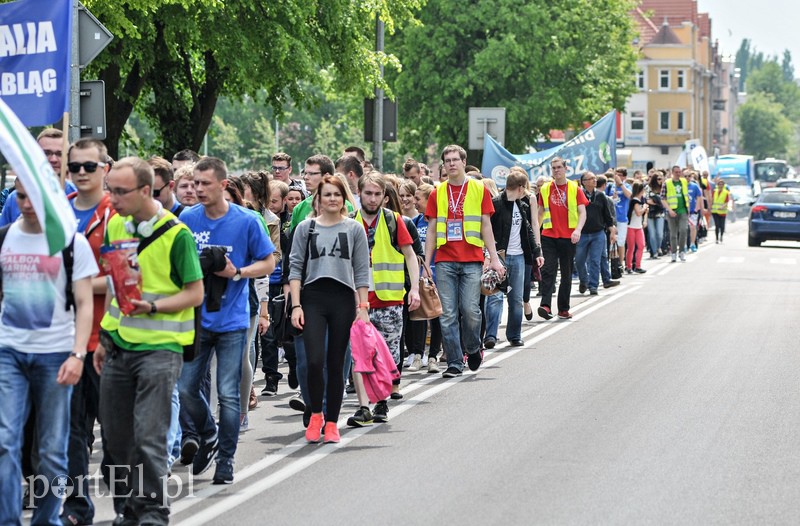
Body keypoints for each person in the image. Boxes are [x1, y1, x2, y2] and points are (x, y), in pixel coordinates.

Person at [94, 157, 203, 524]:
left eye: (120, 191)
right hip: (118, 346)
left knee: (149, 435)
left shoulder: (177, 234)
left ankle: (153, 509)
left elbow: (195, 293)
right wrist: (103, 339)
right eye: (110, 189)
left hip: (161, 348)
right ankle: (128, 508)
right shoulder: (116, 225)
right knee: (115, 440)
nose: (112, 197)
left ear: (145, 190)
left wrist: (152, 307)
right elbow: (114, 287)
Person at [0, 180, 96, 526]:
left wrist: (77, 355)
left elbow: (84, 304)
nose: (26, 203)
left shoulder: (72, 241)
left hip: (55, 355)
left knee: (52, 450)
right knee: (5, 441)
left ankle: (46, 520)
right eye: (21, 196)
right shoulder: (4, 236)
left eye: (34, 197)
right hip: (9, 352)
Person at [178, 157, 275, 484]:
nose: (198, 190)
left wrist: (238, 272)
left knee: (229, 394)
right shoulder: (187, 218)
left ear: (222, 185)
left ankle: (226, 460)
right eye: (194, 184)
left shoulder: (247, 220)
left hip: (232, 320)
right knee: (186, 387)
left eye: (205, 184)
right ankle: (209, 432)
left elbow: (269, 263)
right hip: (195, 318)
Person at [289, 175, 370, 442]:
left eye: (337, 194)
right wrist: (296, 305)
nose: (332, 199)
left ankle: (332, 422)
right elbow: (296, 268)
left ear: (343, 198)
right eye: (327, 195)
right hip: (312, 298)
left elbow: (361, 270)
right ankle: (315, 415)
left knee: (336, 364)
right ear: (319, 199)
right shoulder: (305, 228)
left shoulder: (354, 229)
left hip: (343, 299)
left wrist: (363, 306)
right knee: (313, 361)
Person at [61, 138, 116, 526]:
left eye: (89, 166)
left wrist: (74, 283)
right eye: (74, 166)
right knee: (72, 432)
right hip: (64, 340)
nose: (81, 173)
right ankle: (77, 507)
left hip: (109, 339)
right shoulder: (57, 214)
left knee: (115, 434)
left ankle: (129, 505)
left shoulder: (117, 214)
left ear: (105, 169)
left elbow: (121, 279)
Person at [346, 174, 421, 426]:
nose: (373, 198)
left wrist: (415, 289)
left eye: (378, 194)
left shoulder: (393, 220)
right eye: (368, 193)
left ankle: (381, 402)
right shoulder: (350, 222)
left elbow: (410, 255)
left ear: (385, 197)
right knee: (361, 354)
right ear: (360, 193)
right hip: (359, 301)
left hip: (389, 300)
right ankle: (363, 406)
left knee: (387, 354)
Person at [424, 145, 503, 378]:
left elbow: (485, 225)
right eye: (447, 160)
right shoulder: (436, 193)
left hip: (471, 259)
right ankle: (455, 362)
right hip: (446, 259)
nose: (451, 164)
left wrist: (494, 257)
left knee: (470, 310)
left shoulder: (479, 189)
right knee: (447, 314)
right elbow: (430, 231)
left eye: (455, 159)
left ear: (463, 162)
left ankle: (472, 347)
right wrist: (427, 263)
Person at [485, 170, 542, 347]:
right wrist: (489, 255)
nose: (525, 192)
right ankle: (491, 335)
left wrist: (537, 252)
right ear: (519, 188)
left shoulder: (522, 205)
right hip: (499, 256)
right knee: (495, 296)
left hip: (518, 257)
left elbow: (529, 230)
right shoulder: (495, 205)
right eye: (524, 188)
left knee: (516, 298)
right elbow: (487, 231)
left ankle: (514, 335)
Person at [537, 157, 588, 320]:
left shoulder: (574, 188)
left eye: (559, 167)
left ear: (566, 169)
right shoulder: (545, 189)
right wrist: (536, 236)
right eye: (553, 168)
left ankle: (563, 308)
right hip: (549, 235)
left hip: (568, 237)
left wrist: (578, 230)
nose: (556, 170)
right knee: (547, 270)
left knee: (566, 274)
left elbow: (582, 212)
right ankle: (545, 305)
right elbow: (540, 212)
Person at [1, 128, 78, 226]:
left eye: (59, 154)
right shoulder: (15, 199)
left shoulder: (78, 196)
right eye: (46, 153)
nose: (53, 159)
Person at [575, 171, 615, 296]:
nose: (594, 180)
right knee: (579, 260)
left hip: (598, 233)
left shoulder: (601, 196)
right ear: (584, 182)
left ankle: (593, 286)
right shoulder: (577, 195)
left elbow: (607, 215)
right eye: (591, 178)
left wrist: (612, 230)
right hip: (582, 234)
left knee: (595, 260)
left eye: (594, 178)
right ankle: (584, 280)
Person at [662, 165, 691, 262]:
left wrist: (689, 209)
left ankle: (682, 251)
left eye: (680, 172)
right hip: (672, 212)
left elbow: (686, 196)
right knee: (673, 234)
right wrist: (669, 210)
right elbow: (663, 199)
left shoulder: (684, 181)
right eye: (676, 172)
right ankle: (674, 252)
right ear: (672, 173)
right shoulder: (667, 183)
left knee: (683, 230)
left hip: (683, 211)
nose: (678, 174)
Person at [625, 182, 648, 274]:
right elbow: (639, 212)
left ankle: (637, 265)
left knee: (641, 245)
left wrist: (644, 220)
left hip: (638, 226)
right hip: (631, 226)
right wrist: (644, 208)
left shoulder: (641, 200)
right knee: (631, 247)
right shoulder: (635, 200)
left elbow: (644, 212)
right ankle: (629, 266)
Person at [645, 171, 666, 259]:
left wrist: (656, 202)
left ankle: (658, 247)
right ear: (654, 179)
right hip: (650, 212)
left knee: (660, 233)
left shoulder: (663, 188)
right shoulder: (648, 188)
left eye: (661, 178)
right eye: (658, 179)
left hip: (660, 213)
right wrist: (658, 202)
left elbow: (665, 201)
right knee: (652, 234)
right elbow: (647, 200)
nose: (660, 181)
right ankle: (654, 252)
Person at [711, 178, 731, 243]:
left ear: (724, 185)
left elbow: (727, 201)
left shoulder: (726, 192)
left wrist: (722, 207)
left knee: (722, 226)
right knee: (717, 225)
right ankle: (716, 238)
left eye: (722, 184)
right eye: (719, 184)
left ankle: (721, 237)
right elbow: (712, 199)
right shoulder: (715, 191)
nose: (720, 185)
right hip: (715, 211)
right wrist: (710, 206)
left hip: (722, 211)